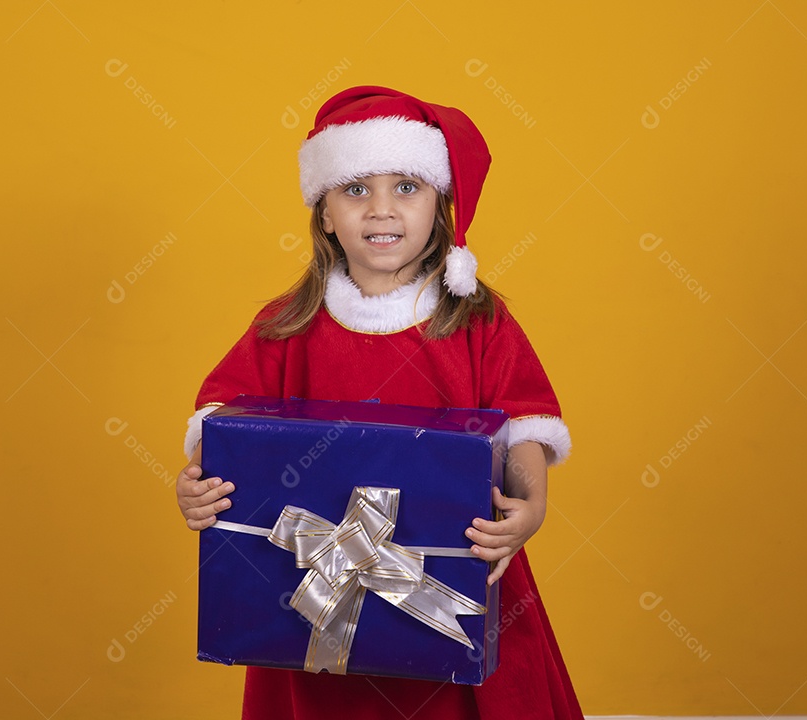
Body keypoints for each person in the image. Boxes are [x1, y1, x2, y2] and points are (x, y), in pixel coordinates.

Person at [175, 85, 582, 720]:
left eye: (407, 188)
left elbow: (524, 424)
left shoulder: (478, 322)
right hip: (311, 593)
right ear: (325, 212)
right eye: (357, 189)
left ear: (439, 206)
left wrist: (529, 507)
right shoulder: (285, 327)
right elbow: (221, 427)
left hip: (457, 577)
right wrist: (200, 484)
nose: (382, 210)